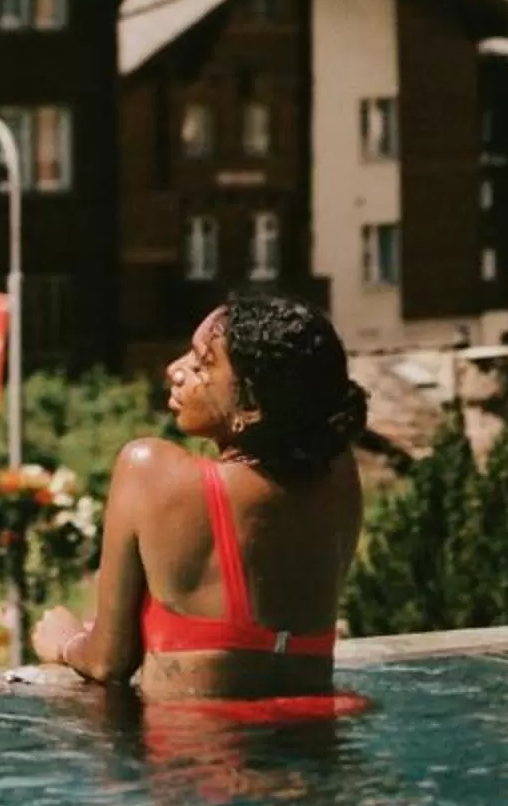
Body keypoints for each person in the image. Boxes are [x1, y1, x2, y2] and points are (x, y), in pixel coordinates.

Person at [31, 296, 367, 705]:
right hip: (316, 748)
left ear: (251, 405)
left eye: (202, 363)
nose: (175, 370)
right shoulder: (337, 473)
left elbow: (108, 662)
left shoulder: (150, 468)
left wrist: (66, 641)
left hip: (194, 756)